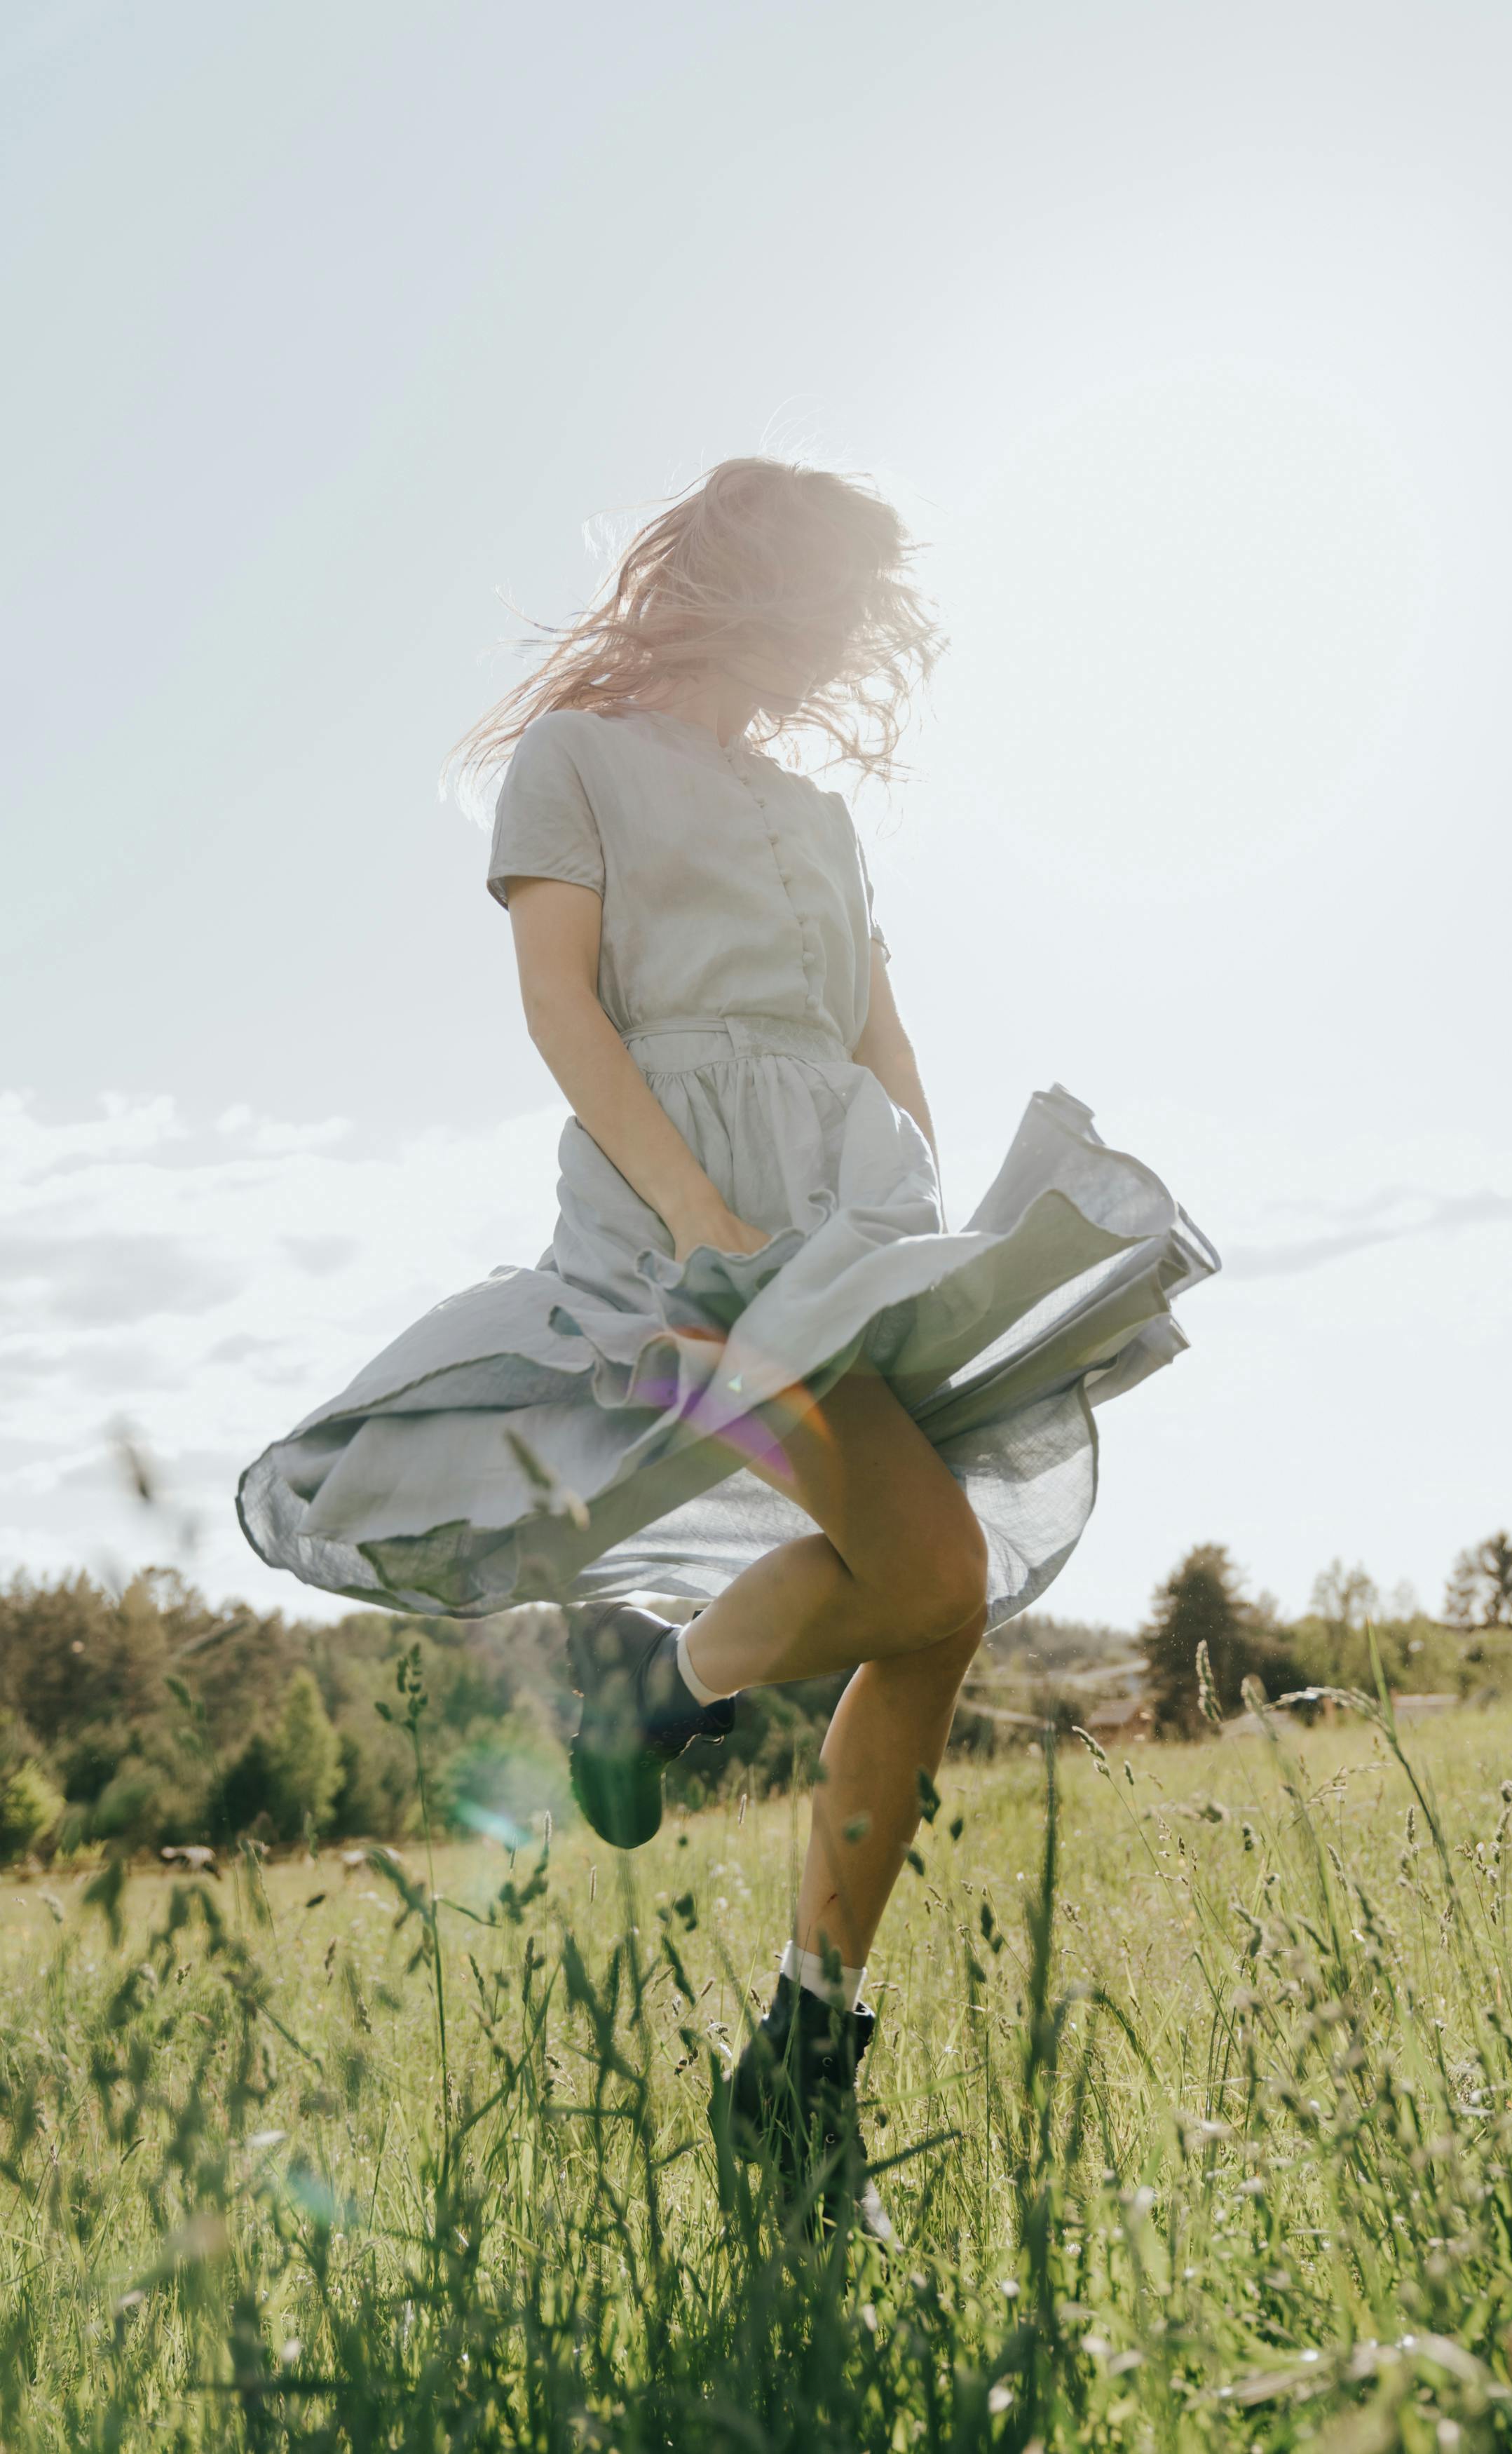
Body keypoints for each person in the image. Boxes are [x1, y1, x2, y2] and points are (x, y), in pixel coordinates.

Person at [238, 456, 1218, 2245]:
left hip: (846, 1230)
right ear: (756, 582)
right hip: (670, 1240)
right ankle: (698, 1801)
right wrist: (702, 1221)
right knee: (929, 1578)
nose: (853, 639)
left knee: (932, 1593)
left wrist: (917, 1238)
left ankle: (789, 2016)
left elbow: (882, 1041)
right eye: (835, 598)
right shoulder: (578, 765)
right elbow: (564, 1010)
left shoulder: (823, 822)